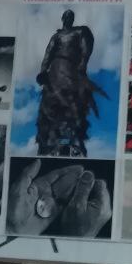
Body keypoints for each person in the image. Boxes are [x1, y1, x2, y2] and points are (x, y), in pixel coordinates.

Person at [35, 9, 106, 157]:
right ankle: (49, 141)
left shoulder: (79, 32)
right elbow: (48, 54)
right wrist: (42, 71)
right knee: (50, 101)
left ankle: (73, 137)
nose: (69, 18)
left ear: (73, 19)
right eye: (66, 16)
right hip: (55, 68)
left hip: (71, 67)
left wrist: (83, 64)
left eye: (71, 16)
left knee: (75, 101)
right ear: (62, 18)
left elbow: (86, 48)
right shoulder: (56, 36)